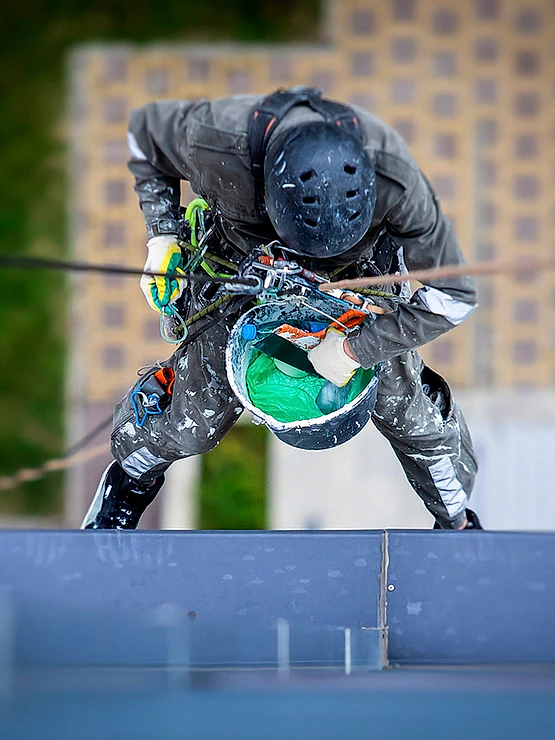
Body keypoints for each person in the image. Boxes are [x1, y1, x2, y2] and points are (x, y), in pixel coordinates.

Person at [82, 87, 481, 531]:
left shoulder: (400, 182)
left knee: (414, 416)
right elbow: (144, 137)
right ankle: (125, 486)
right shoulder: (215, 139)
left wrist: (355, 351)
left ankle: (457, 522)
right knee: (189, 423)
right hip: (242, 268)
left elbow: (453, 299)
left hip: (358, 281)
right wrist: (162, 236)